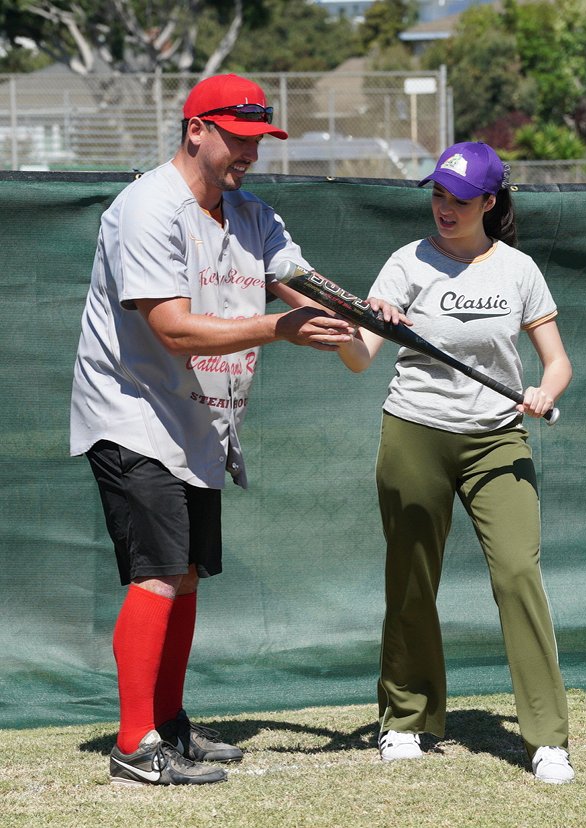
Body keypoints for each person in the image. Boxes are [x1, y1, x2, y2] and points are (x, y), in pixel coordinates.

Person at [70, 73, 397, 787]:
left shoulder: (251, 214)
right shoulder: (145, 208)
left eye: (259, 140)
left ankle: (170, 725)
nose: (251, 152)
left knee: (184, 576)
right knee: (158, 574)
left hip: (199, 419)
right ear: (196, 130)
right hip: (131, 412)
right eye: (239, 138)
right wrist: (280, 328)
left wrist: (367, 310)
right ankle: (135, 745)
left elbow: (301, 281)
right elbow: (172, 327)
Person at [338, 141, 575, 784]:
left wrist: (543, 393)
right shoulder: (404, 264)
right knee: (411, 578)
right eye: (438, 194)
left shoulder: (519, 270)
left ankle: (547, 736)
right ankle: (405, 719)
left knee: (518, 572)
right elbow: (358, 357)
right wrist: (371, 322)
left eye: (460, 199)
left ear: (489, 203)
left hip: (499, 438)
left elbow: (556, 361)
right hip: (415, 431)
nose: (445, 208)